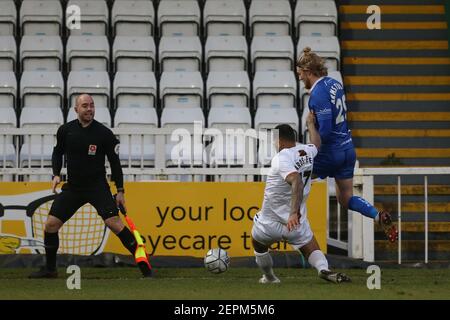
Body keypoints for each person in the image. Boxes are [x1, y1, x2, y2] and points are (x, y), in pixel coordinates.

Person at [29, 94, 151, 278]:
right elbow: (57, 153)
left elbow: (115, 164)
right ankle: (50, 270)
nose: (89, 109)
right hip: (74, 188)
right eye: (85, 106)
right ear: (76, 109)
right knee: (51, 225)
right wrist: (56, 173)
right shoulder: (65, 130)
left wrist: (120, 191)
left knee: (115, 224)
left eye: (92, 105)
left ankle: (145, 266)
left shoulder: (104, 134)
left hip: (97, 187)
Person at [297, 47, 398, 243]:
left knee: (295, 178)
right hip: (347, 149)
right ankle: (377, 216)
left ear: (308, 72)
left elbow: (324, 132)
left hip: (330, 152)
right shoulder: (335, 83)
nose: (300, 78)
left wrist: (310, 125)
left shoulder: (317, 95)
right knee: (345, 198)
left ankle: (294, 222)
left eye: (300, 74)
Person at [251, 120, 351, 284]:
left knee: (258, 244)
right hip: (296, 224)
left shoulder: (281, 158)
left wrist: (291, 213)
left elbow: (296, 180)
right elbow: (317, 144)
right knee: (310, 246)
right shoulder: (307, 150)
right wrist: (311, 125)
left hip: (270, 222)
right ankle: (323, 269)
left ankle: (269, 277)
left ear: (279, 140)